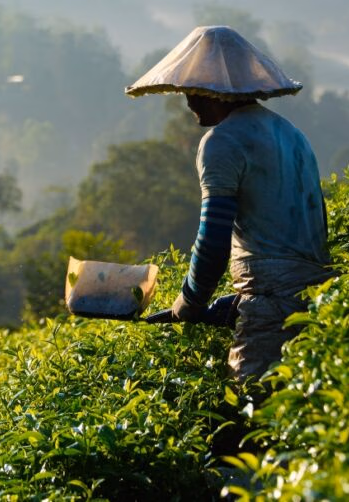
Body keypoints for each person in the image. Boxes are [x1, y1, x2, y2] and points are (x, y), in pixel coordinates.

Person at [125, 26, 334, 382]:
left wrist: (188, 303)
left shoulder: (221, 142)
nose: (189, 101)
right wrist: (230, 303)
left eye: (196, 90)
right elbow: (289, 241)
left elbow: (214, 239)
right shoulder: (292, 135)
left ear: (218, 92)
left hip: (271, 305)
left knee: (254, 407)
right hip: (319, 298)